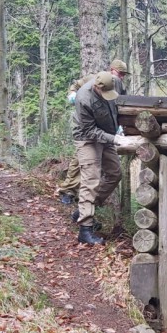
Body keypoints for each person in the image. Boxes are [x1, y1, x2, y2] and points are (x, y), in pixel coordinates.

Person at [56, 60, 129, 205]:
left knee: (112, 171)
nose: (121, 77)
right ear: (112, 69)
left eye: (123, 75)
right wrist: (72, 94)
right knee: (80, 161)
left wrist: (120, 125)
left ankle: (88, 202)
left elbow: (123, 102)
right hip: (85, 127)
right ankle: (68, 191)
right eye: (120, 73)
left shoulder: (118, 85)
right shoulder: (92, 80)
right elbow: (75, 85)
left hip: (105, 129)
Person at [71, 69, 127, 245]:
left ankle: (83, 209)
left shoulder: (114, 82)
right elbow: (89, 130)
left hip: (108, 135)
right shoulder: (84, 98)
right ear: (96, 87)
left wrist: (122, 127)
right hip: (87, 138)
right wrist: (114, 138)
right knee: (91, 178)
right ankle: (85, 229)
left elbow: (123, 101)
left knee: (115, 173)